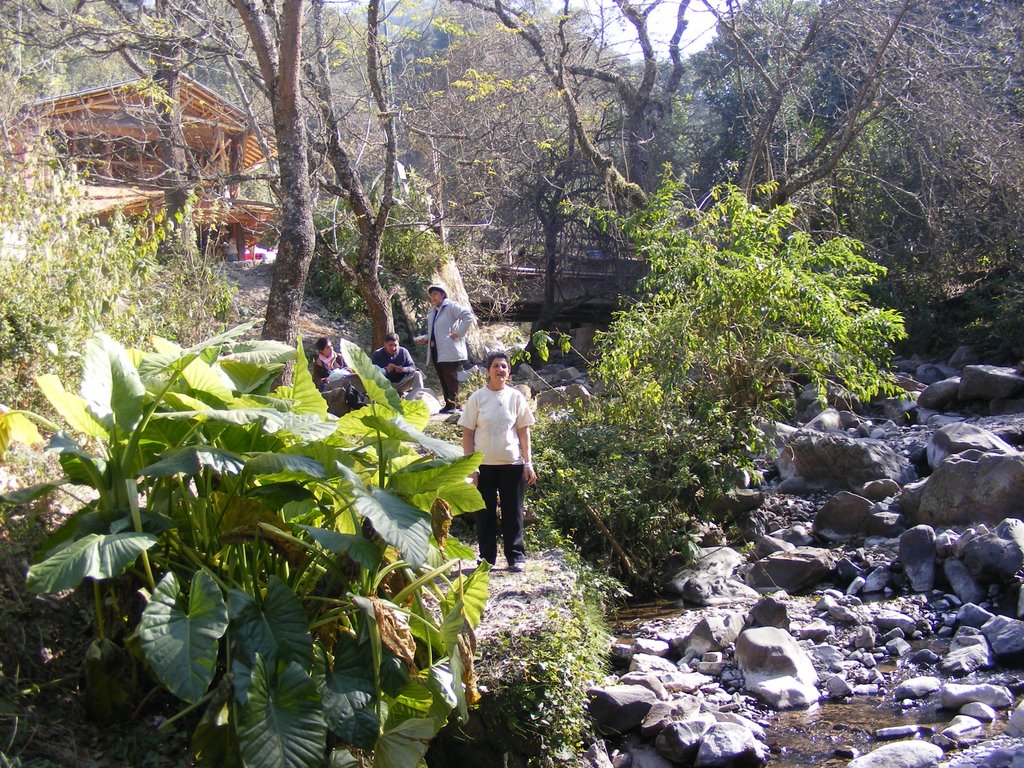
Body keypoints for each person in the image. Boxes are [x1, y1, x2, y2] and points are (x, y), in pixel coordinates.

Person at [459, 351, 536, 572]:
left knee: (513, 512)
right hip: (483, 468)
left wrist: (528, 463)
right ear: (488, 371)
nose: (500, 370)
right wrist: (471, 468)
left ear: (509, 372)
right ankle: (487, 558)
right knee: (485, 514)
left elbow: (523, 432)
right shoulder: (477, 398)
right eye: (496, 366)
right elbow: (467, 434)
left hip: (512, 464)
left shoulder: (516, 397)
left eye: (504, 366)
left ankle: (515, 556)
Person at [415, 282, 474, 414]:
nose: (433, 297)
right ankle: (449, 404)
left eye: (436, 294)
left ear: (442, 294)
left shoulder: (450, 306)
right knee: (442, 377)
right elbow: (436, 332)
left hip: (449, 348)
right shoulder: (433, 312)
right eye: (431, 295)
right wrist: (425, 338)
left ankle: (455, 404)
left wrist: (458, 333)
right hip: (436, 350)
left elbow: (467, 316)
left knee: (450, 377)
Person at [371, 332, 424, 397]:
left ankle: (419, 398)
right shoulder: (377, 354)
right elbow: (373, 374)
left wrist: (404, 369)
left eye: (395, 345)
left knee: (417, 374)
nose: (393, 348)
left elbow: (412, 367)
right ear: (385, 344)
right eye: (390, 345)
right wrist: (386, 370)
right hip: (385, 386)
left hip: (402, 383)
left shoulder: (403, 351)